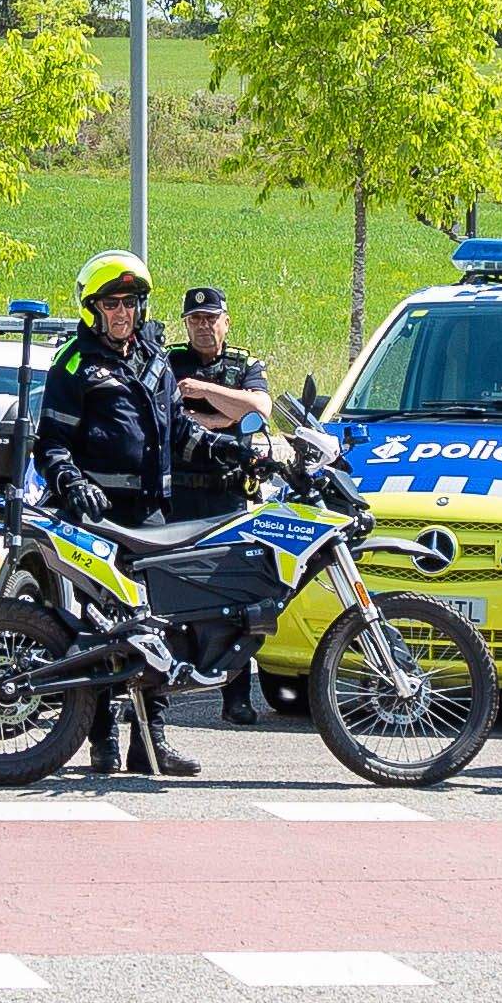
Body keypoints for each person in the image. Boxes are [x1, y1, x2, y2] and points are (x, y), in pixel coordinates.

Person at [42, 250, 203, 776]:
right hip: (98, 519)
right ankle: (102, 742)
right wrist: (74, 482)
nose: (122, 313)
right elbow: (52, 443)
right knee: (100, 630)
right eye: (112, 304)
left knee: (158, 627)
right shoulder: (74, 364)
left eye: (130, 303)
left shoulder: (155, 361)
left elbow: (182, 432)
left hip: (153, 517)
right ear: (94, 309)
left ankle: (151, 743)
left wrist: (233, 451)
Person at [166, 285, 278, 719]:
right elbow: (168, 416)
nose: (204, 326)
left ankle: (236, 698)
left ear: (226, 322)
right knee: (174, 594)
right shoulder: (169, 361)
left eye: (211, 318)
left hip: (228, 493)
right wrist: (225, 417)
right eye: (195, 320)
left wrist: (202, 394)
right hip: (179, 496)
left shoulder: (244, 363)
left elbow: (258, 408)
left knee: (235, 599)